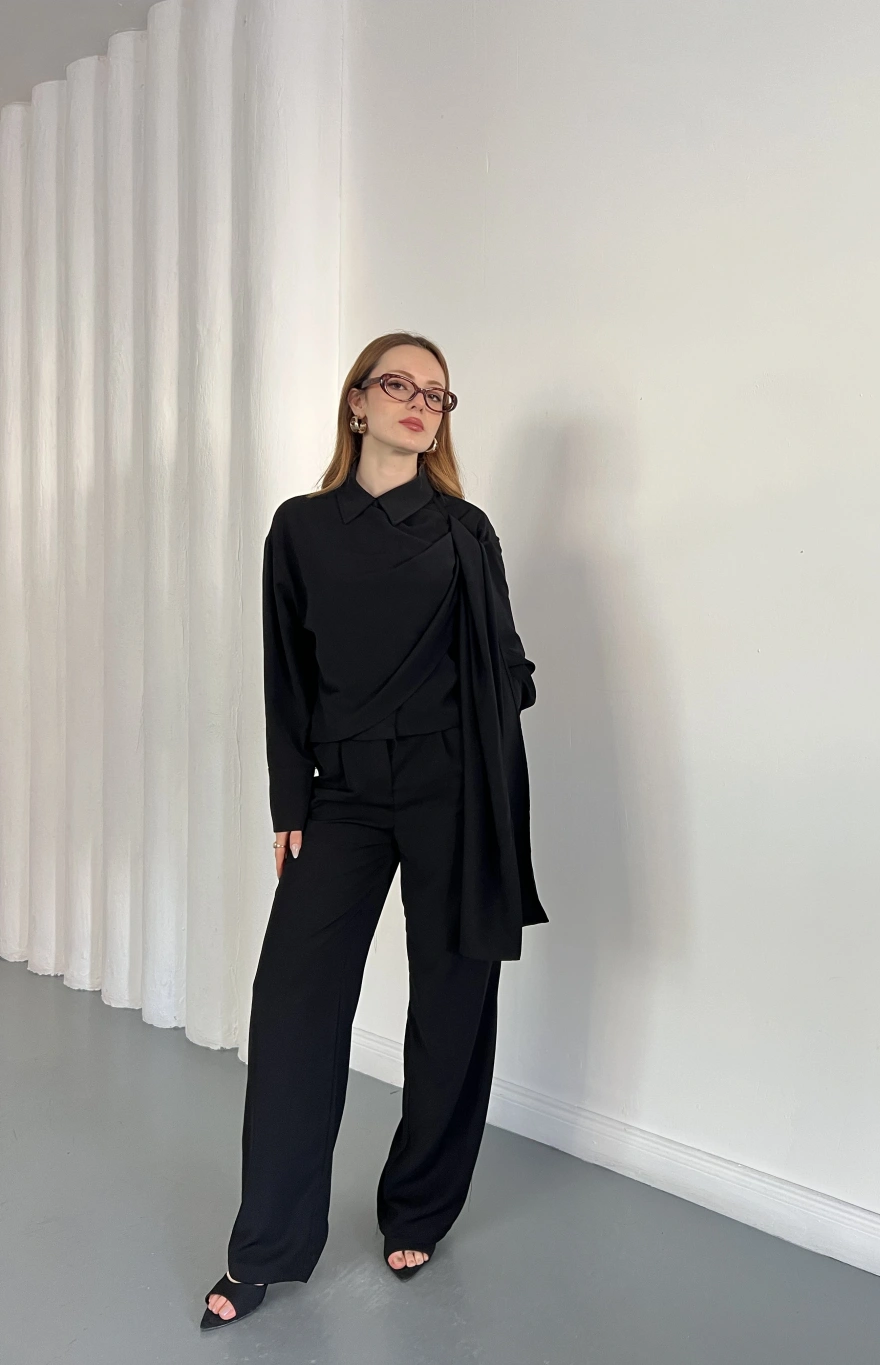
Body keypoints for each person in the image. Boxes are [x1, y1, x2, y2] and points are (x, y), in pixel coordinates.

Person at [201, 331, 547, 1330]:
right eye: (398, 384)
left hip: (455, 787)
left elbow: (510, 664)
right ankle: (265, 1248)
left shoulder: (464, 529)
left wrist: (480, 705)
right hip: (344, 793)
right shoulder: (301, 527)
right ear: (356, 401)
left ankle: (419, 1207)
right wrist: (290, 802)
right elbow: (285, 673)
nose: (418, 403)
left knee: (451, 1001)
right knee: (293, 1003)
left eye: (436, 394)